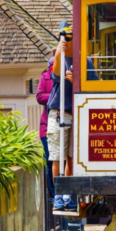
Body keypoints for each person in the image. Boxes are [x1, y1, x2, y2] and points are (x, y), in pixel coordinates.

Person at [49, 22, 75, 211]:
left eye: (70, 36)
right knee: (57, 156)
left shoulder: (84, 60)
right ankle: (58, 195)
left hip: (77, 113)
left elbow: (93, 83)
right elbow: (56, 74)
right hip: (59, 111)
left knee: (71, 157)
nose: (67, 40)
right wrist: (59, 52)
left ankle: (68, 194)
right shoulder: (56, 59)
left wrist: (77, 81)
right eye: (64, 36)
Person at [36, 57, 55, 197]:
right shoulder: (46, 77)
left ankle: (61, 193)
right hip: (47, 126)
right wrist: (56, 96)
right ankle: (53, 194)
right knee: (49, 161)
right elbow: (39, 96)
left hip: (64, 123)